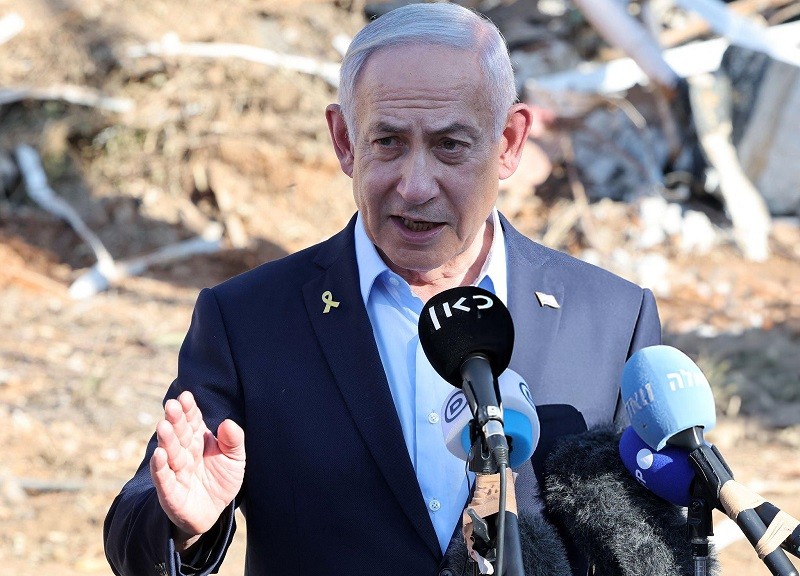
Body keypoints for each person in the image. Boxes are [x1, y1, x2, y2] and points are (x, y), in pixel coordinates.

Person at [103, 3, 662, 575]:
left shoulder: (613, 320)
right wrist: (182, 524)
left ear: (509, 143)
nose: (415, 187)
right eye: (389, 142)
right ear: (345, 140)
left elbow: (651, 546)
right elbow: (138, 526)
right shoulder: (248, 320)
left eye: (450, 145)